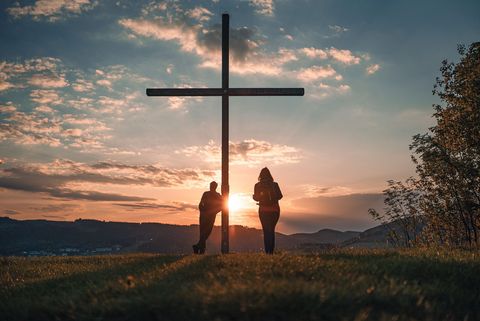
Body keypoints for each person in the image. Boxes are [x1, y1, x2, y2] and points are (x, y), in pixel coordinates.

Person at [253, 167, 283, 254]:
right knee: (272, 230)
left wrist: (257, 197)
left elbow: (256, 198)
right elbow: (280, 196)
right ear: (270, 175)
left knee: (266, 231)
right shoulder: (275, 184)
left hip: (263, 210)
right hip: (275, 210)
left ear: (260, 175)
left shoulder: (257, 185)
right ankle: (271, 252)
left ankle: (267, 253)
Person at [193, 181, 223, 254]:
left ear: (215, 187)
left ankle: (198, 247)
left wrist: (215, 212)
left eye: (212, 185)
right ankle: (200, 249)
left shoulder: (217, 195)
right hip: (204, 215)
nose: (211, 187)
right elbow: (200, 204)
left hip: (210, 215)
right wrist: (202, 211)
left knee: (206, 232)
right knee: (203, 232)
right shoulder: (206, 194)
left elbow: (222, 206)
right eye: (211, 185)